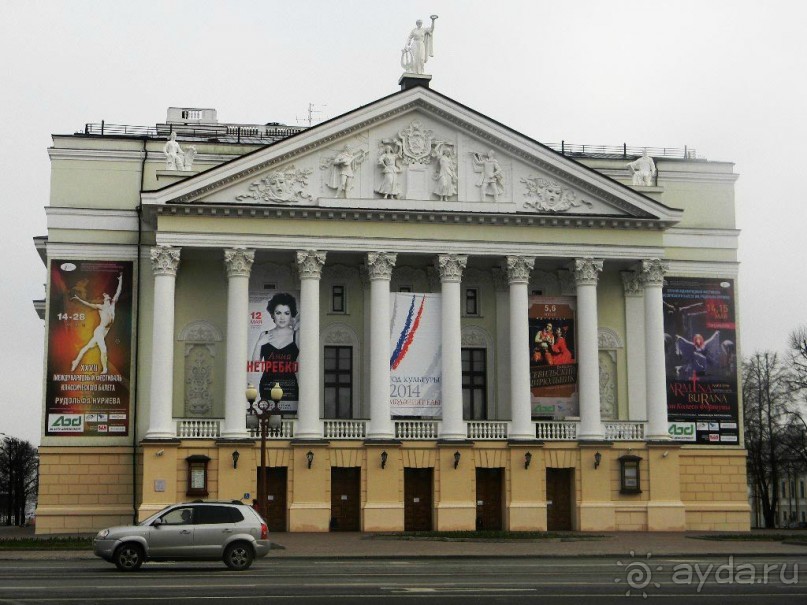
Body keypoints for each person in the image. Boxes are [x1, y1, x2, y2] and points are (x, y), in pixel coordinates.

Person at [251, 292, 300, 404]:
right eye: (278, 313)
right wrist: (259, 344)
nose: (282, 317)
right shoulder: (265, 334)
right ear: (273, 314)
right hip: (268, 386)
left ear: (291, 314)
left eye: (286, 313)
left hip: (289, 387)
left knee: (290, 419)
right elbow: (255, 366)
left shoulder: (297, 335)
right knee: (269, 419)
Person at [70, 273, 123, 374]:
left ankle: (75, 361)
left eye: (108, 295)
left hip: (105, 332)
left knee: (87, 347)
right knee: (103, 349)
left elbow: (118, 292)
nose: (109, 296)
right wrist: (79, 299)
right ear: (105, 299)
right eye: (107, 296)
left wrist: (120, 280)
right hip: (100, 331)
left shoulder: (112, 305)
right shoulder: (101, 307)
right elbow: (89, 304)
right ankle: (105, 369)